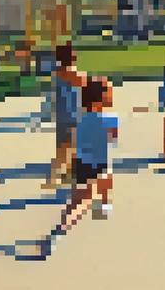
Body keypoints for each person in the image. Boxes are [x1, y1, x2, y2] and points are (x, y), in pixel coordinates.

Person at [42, 78, 119, 257]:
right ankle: (58, 233)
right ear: (98, 99)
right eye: (108, 92)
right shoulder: (110, 119)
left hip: (81, 164)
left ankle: (103, 204)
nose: (112, 95)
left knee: (77, 200)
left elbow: (73, 142)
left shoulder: (80, 119)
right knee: (84, 202)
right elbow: (113, 139)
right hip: (98, 164)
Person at [44, 44, 89, 188]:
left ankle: (69, 176)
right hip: (71, 116)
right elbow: (84, 82)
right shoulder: (69, 72)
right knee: (67, 149)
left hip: (63, 114)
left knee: (70, 148)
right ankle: (53, 178)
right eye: (73, 54)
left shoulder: (57, 72)